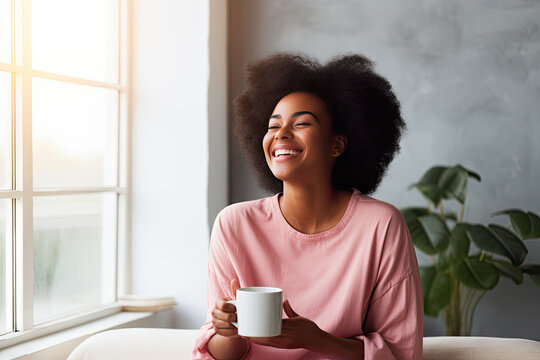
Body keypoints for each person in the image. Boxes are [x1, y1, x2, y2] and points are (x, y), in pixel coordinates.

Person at [193, 53, 423, 359]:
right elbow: (223, 353)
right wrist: (226, 332)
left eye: (301, 123)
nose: (281, 134)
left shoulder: (380, 225)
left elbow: (401, 352)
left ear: (337, 145)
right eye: (273, 126)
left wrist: (318, 340)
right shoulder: (234, 224)